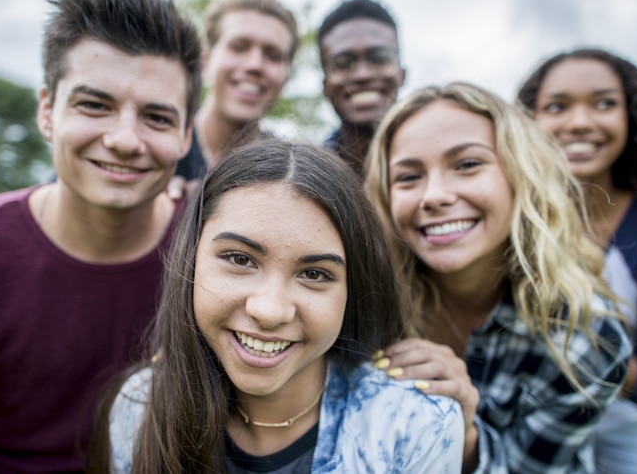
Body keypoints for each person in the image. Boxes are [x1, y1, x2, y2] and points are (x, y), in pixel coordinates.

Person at [0, 0, 201, 470]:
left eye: (156, 117)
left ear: (186, 135)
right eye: (95, 105)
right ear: (47, 110)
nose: (125, 140)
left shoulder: (214, 252)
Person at [103, 139, 465, 473]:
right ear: (190, 260)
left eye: (315, 274)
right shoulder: (139, 408)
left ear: (353, 291)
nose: (270, 310)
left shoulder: (417, 426)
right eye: (240, 259)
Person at [364, 82, 632, 473]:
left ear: (520, 176)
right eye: (408, 177)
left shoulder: (586, 338)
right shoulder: (363, 305)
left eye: (467, 164)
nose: (434, 195)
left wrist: (465, 435)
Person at [517, 48, 637, 473]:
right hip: (535, 442)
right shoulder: (515, 224)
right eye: (557, 106)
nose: (580, 122)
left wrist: (573, 332)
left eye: (604, 103)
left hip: (636, 450)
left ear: (632, 118)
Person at [169, 0, 298, 195]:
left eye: (273, 55)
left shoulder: (293, 171)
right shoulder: (162, 150)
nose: (255, 65)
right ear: (205, 61)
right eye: (238, 47)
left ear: (286, 80)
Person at [318, 0, 406, 177]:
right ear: (325, 85)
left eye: (379, 58)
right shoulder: (308, 179)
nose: (362, 74)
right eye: (342, 63)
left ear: (401, 74)